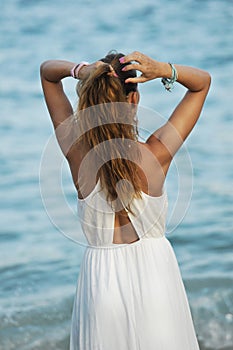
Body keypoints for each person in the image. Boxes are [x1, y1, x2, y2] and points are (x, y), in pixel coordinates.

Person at [40, 51, 211, 350]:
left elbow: (47, 73)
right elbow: (202, 83)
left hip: (101, 286)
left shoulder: (78, 154)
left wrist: (80, 70)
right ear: (134, 101)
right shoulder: (157, 153)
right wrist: (162, 70)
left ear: (92, 103)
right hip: (157, 279)